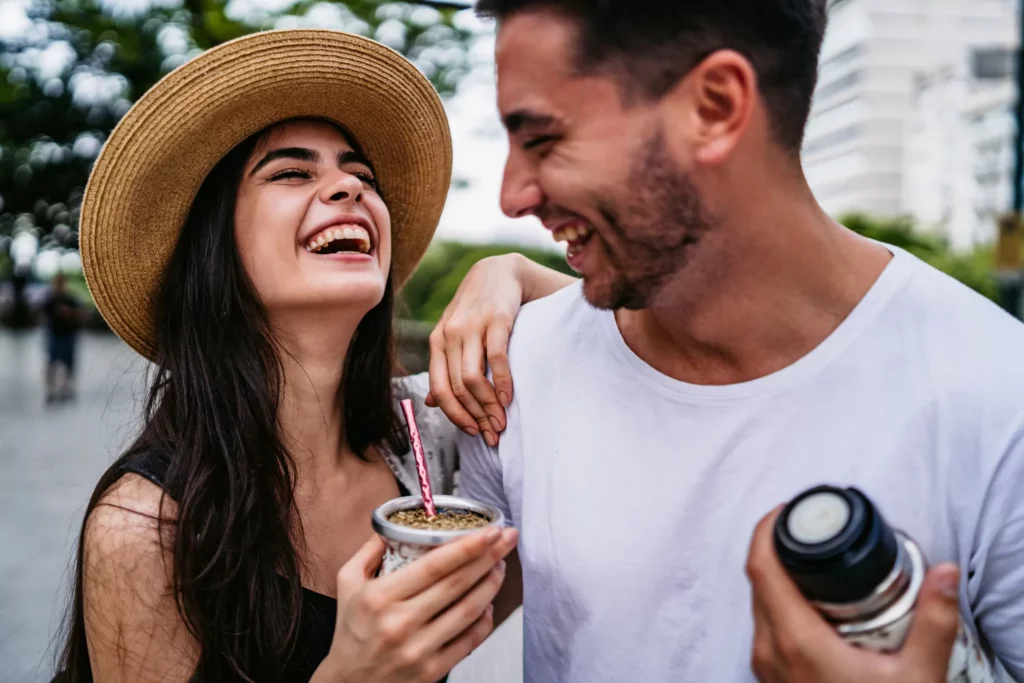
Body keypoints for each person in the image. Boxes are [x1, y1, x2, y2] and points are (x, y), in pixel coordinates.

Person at [424, 1, 1024, 682]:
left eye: (544, 139)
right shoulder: (521, 366)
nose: (512, 196)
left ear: (714, 105)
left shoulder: (1003, 398)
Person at [54, 30, 566, 683]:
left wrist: (515, 272)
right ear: (216, 249)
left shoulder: (434, 441)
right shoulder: (147, 527)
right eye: (293, 172)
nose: (348, 188)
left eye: (362, 176)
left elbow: (641, 335)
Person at [42, 272, 82, 403]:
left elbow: (79, 314)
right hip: (55, 334)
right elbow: (43, 315)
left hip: (67, 334)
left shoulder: (70, 299)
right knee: (52, 364)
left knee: (67, 364)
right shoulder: (50, 299)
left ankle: (64, 389)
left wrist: (68, 312)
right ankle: (52, 390)